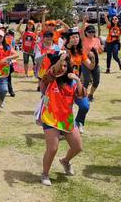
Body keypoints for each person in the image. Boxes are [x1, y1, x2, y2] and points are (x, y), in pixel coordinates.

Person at [37, 52, 84, 186]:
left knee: (78, 147)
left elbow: (81, 95)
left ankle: (65, 161)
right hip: (50, 118)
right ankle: (45, 174)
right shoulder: (50, 79)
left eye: (65, 65)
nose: (63, 68)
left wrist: (78, 80)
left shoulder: (71, 81)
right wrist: (61, 59)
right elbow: (50, 73)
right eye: (60, 65)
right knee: (52, 148)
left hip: (66, 119)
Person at [64, 27, 95, 134]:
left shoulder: (80, 52)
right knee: (66, 108)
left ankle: (78, 122)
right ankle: (63, 129)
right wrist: (68, 45)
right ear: (68, 39)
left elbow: (90, 66)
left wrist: (94, 59)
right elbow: (62, 53)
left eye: (77, 37)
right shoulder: (64, 49)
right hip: (64, 83)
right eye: (72, 37)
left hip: (76, 83)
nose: (75, 39)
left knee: (85, 106)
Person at [0, 29, 19, 111]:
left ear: (3, 37)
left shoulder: (7, 47)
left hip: (4, 72)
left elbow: (16, 55)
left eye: (1, 36)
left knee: (4, 90)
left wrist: (7, 58)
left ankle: (1, 99)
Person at [80, 21, 103, 101]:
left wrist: (101, 49)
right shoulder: (83, 39)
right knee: (86, 80)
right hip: (86, 62)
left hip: (95, 62)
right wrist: (83, 21)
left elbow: (100, 51)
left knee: (96, 81)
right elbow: (81, 30)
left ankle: (91, 95)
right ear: (86, 32)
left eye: (93, 32)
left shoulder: (97, 39)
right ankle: (84, 96)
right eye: (89, 32)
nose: (91, 33)